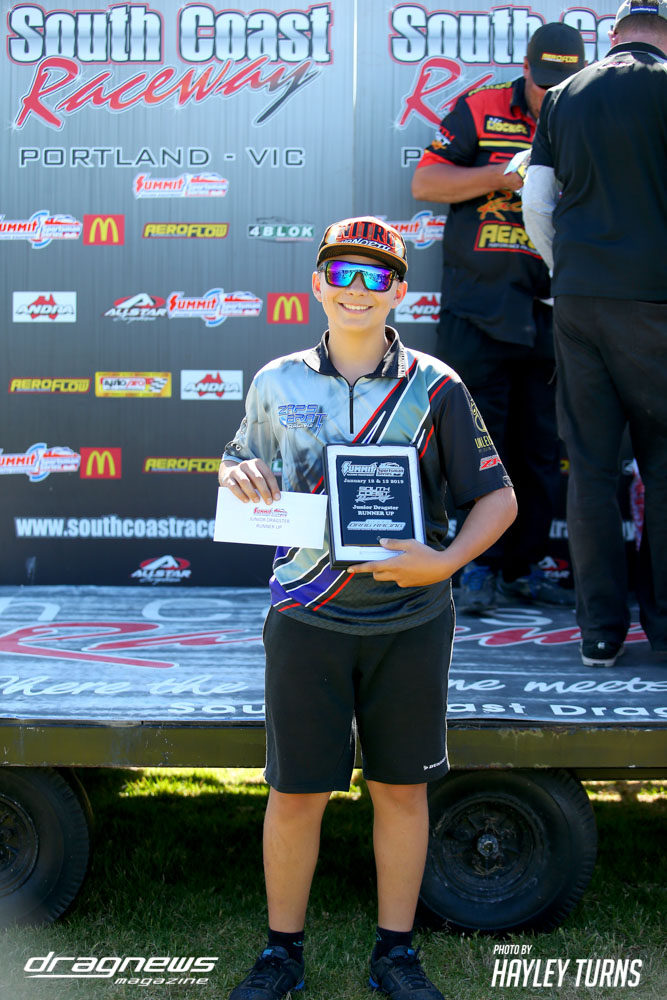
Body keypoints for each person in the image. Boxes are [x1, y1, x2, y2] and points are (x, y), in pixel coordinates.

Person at [218, 216, 516, 1000]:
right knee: (295, 793)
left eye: (375, 275)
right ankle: (281, 954)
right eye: (341, 273)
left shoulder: (435, 385)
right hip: (305, 615)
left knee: (401, 790)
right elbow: (241, 461)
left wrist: (444, 563)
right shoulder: (276, 380)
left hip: (408, 622)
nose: (357, 289)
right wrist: (234, 476)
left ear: (400, 292)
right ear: (317, 284)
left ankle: (396, 955)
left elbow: (498, 498)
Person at [411, 23, 585, 614]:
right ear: (526, 68)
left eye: (562, 84)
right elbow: (425, 181)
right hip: (479, 309)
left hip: (553, 309)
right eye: (543, 81)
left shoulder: (588, 113)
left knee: (540, 448)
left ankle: (523, 569)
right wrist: (501, 176)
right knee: (474, 449)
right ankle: (474, 568)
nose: (549, 94)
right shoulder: (482, 108)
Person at [523, 0, 667, 667]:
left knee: (589, 467)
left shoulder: (561, 95)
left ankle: (599, 633)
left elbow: (535, 203)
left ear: (611, 34)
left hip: (579, 300)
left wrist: (568, 270)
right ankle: (664, 628)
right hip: (656, 299)